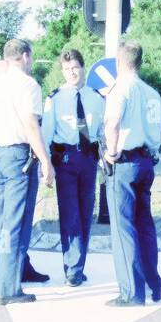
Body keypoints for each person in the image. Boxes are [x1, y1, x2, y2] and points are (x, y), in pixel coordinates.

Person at [101, 39, 161, 307]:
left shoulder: (121, 89)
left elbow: (112, 124)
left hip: (125, 164)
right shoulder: (151, 92)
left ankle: (132, 293)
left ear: (119, 62)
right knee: (145, 225)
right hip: (146, 162)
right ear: (139, 62)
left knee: (124, 229)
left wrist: (110, 153)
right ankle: (153, 285)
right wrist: (154, 144)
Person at [0, 39, 53, 305]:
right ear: (24, 56)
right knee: (15, 224)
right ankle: (9, 289)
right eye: (31, 57)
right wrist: (45, 160)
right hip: (18, 156)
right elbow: (31, 124)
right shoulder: (29, 85)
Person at [41, 49, 104, 287]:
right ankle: (73, 268)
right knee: (70, 215)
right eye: (67, 69)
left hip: (88, 160)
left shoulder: (96, 97)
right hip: (65, 160)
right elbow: (46, 134)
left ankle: (77, 265)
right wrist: (46, 165)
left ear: (83, 68)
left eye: (75, 67)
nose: (72, 72)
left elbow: (101, 131)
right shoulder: (55, 99)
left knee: (86, 214)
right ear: (62, 71)